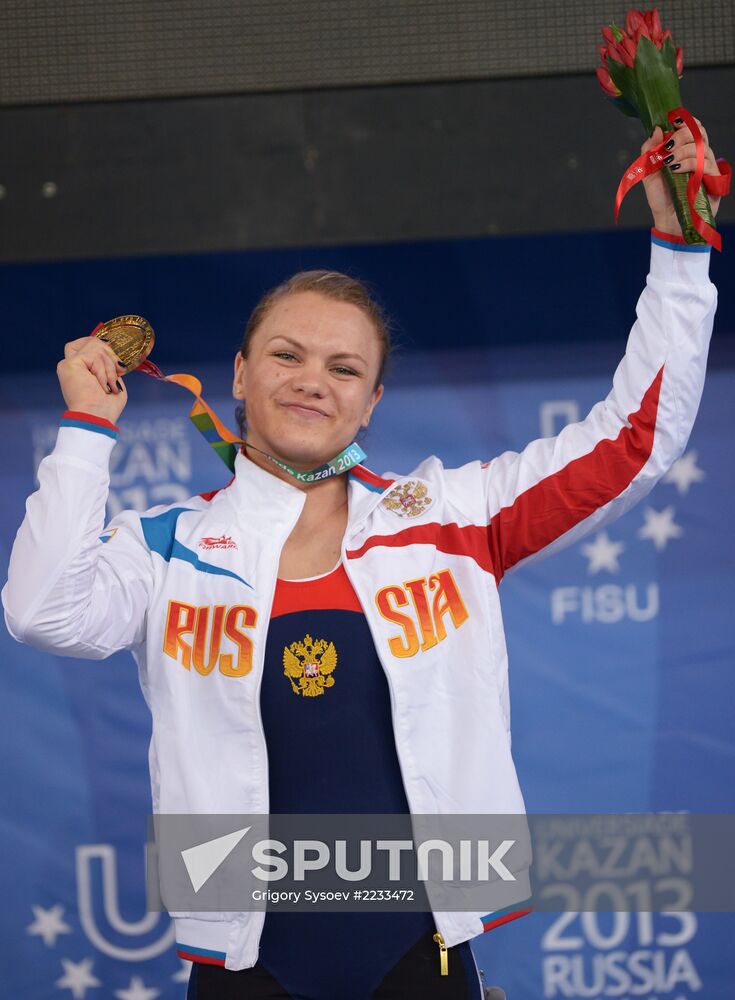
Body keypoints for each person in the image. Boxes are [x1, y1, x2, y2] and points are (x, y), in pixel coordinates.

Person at [1, 118, 724, 1000]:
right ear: (237, 374)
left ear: (372, 400)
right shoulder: (166, 546)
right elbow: (41, 611)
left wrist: (681, 252)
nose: (313, 379)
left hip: (421, 957)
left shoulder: (451, 519)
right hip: (240, 963)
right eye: (286, 354)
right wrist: (85, 431)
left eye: (345, 368)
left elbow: (633, 438)